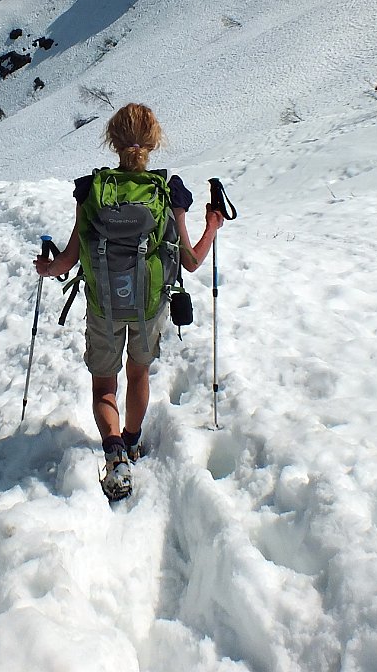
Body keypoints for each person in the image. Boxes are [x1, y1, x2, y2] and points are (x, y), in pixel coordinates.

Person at [34, 103, 224, 498]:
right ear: (154, 143)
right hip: (148, 306)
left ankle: (114, 451)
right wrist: (212, 224)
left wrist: (47, 269)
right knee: (138, 375)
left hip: (104, 305)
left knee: (105, 385)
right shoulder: (168, 193)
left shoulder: (92, 191)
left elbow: (68, 260)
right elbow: (190, 261)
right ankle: (132, 441)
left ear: (113, 141)